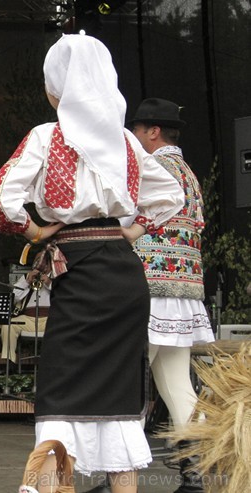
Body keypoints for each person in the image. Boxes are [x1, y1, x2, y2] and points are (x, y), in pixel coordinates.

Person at [0, 35, 184, 493]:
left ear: (58, 88)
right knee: (118, 405)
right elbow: (172, 195)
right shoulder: (127, 143)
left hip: (78, 266)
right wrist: (131, 229)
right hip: (122, 272)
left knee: (58, 400)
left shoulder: (47, 137)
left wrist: (34, 231)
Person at [128, 97, 213, 493]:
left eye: (138, 130)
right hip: (184, 294)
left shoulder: (152, 167)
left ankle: (118, 477)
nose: (135, 137)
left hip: (150, 289)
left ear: (153, 132)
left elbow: (129, 218)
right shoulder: (188, 173)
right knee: (178, 386)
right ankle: (196, 476)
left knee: (124, 383)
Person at [2, 271, 51, 365]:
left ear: (49, 264)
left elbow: (64, 294)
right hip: (28, 318)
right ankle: (9, 361)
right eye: (37, 261)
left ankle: (57, 362)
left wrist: (49, 282)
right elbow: (13, 297)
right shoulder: (26, 277)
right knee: (9, 325)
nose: (40, 264)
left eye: (43, 261)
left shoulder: (56, 277)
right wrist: (27, 281)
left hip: (49, 319)